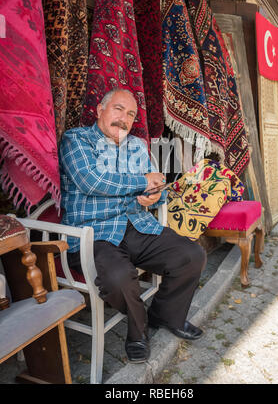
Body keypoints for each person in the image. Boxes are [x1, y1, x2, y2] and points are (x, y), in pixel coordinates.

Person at [59, 88, 207, 363]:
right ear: (99, 109)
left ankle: (165, 316)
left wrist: (153, 195)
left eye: (130, 114)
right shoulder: (76, 139)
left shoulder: (137, 146)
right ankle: (138, 332)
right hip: (94, 232)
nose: (124, 119)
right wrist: (142, 182)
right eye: (118, 109)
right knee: (118, 279)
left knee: (191, 255)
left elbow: (158, 188)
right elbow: (92, 181)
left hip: (137, 224)